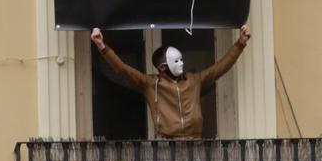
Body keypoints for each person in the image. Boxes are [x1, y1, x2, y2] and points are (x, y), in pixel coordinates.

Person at [90, 26, 248, 137]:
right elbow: (122, 69)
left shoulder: (194, 80)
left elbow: (221, 67)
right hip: (167, 147)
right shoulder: (150, 84)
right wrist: (101, 46)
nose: (182, 64)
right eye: (176, 61)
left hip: (196, 143)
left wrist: (240, 43)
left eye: (181, 60)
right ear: (162, 67)